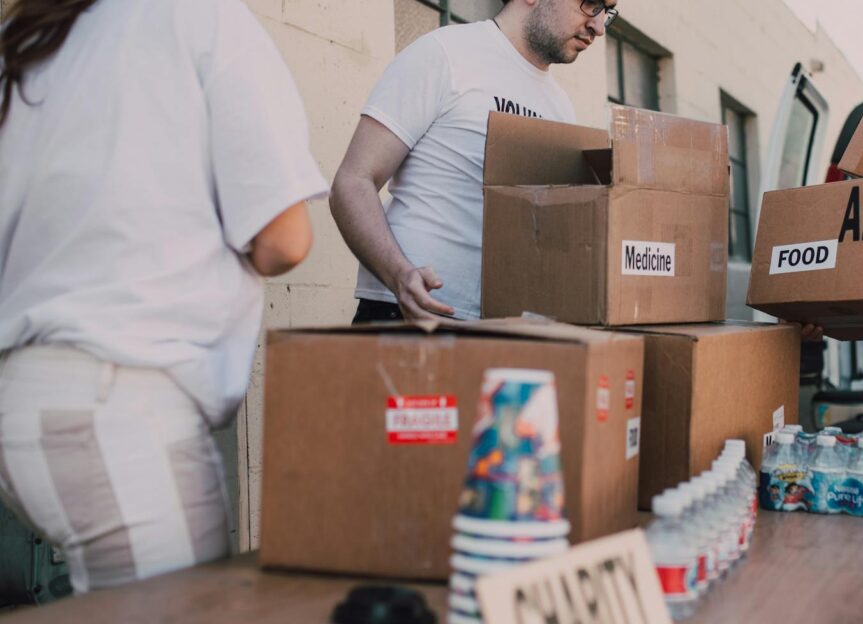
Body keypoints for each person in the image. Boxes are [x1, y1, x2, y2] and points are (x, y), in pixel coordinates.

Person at [0, 0, 327, 592]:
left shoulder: (25, 36)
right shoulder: (202, 16)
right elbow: (284, 238)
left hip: (24, 400)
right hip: (122, 404)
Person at [331, 0, 616, 323]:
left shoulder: (560, 107)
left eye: (609, 11)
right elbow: (353, 182)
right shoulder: (445, 53)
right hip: (408, 314)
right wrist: (399, 276)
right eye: (592, 4)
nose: (600, 26)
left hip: (501, 328)